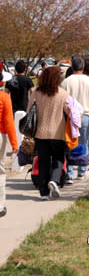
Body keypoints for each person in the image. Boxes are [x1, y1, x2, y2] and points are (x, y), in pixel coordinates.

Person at [27, 66, 69, 200]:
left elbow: (28, 111)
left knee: (43, 162)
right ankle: (54, 180)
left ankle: (43, 192)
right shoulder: (63, 93)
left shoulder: (36, 92)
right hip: (58, 133)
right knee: (58, 159)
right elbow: (70, 112)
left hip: (40, 132)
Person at [61, 57, 89, 182]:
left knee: (69, 144)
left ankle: (69, 172)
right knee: (83, 144)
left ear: (72, 67)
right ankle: (82, 170)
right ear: (83, 67)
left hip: (69, 116)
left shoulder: (66, 82)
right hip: (84, 115)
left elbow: (62, 102)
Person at [0, 69, 18, 217]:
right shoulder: (4, 97)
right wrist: (14, 143)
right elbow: (8, 122)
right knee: (0, 170)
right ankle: (0, 206)